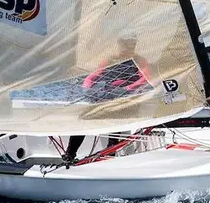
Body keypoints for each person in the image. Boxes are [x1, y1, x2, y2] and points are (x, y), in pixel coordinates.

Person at [62, 36, 152, 165]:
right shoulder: (110, 59)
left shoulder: (139, 60)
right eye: (125, 44)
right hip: (107, 96)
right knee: (84, 117)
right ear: (119, 44)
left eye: (131, 45)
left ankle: (110, 154)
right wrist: (87, 88)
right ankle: (70, 153)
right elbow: (93, 77)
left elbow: (145, 78)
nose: (128, 47)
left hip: (126, 98)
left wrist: (128, 88)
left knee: (116, 115)